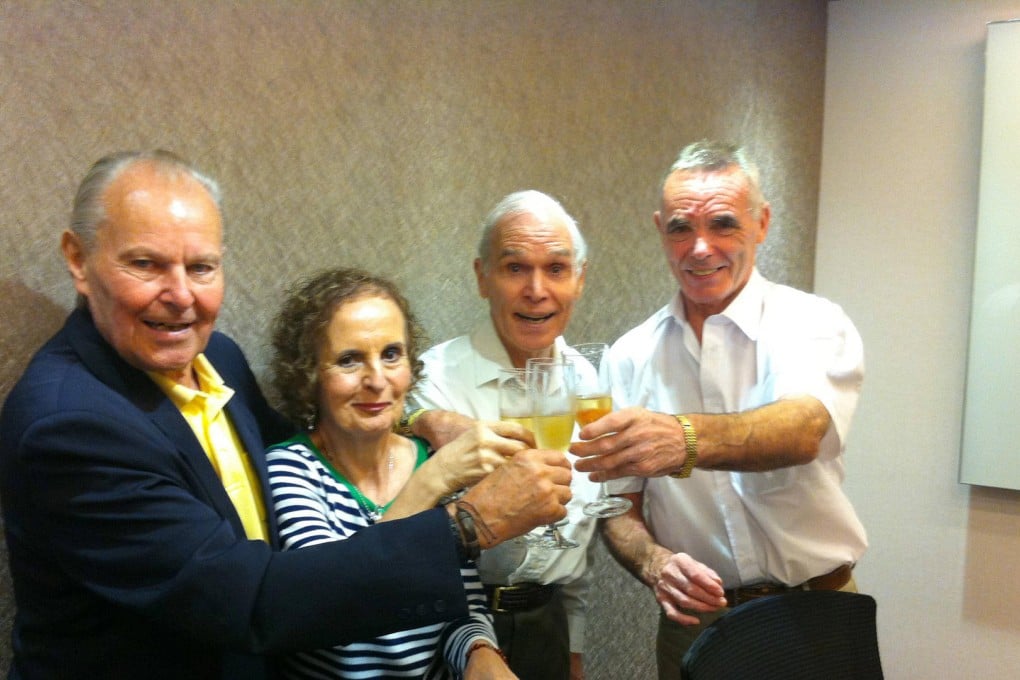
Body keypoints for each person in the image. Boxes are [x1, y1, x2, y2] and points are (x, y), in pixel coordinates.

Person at [0, 150, 572, 680]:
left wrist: (417, 423)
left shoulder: (212, 355)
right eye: (146, 264)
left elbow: (316, 435)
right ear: (79, 260)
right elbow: (254, 602)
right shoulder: (69, 425)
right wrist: (471, 520)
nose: (180, 297)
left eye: (201, 268)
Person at [571, 140, 868, 678]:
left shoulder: (812, 322)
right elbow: (617, 507)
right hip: (695, 625)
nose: (700, 248)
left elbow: (802, 430)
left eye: (724, 225)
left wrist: (681, 438)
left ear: (762, 224)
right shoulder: (630, 355)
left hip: (815, 614)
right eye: (682, 228)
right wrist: (653, 563)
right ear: (660, 230)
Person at [266, 267, 521, 679]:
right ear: (309, 375)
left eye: (391, 354)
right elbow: (328, 603)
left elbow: (462, 604)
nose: (377, 380)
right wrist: (434, 479)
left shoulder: (426, 456)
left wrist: (479, 651)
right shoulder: (291, 469)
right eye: (349, 360)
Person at [412, 190, 601, 680]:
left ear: (579, 279)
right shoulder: (432, 383)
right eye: (515, 268)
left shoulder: (587, 384)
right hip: (449, 632)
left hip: (547, 625)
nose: (536, 289)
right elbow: (403, 536)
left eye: (557, 269)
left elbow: (581, 536)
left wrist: (573, 648)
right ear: (482, 277)